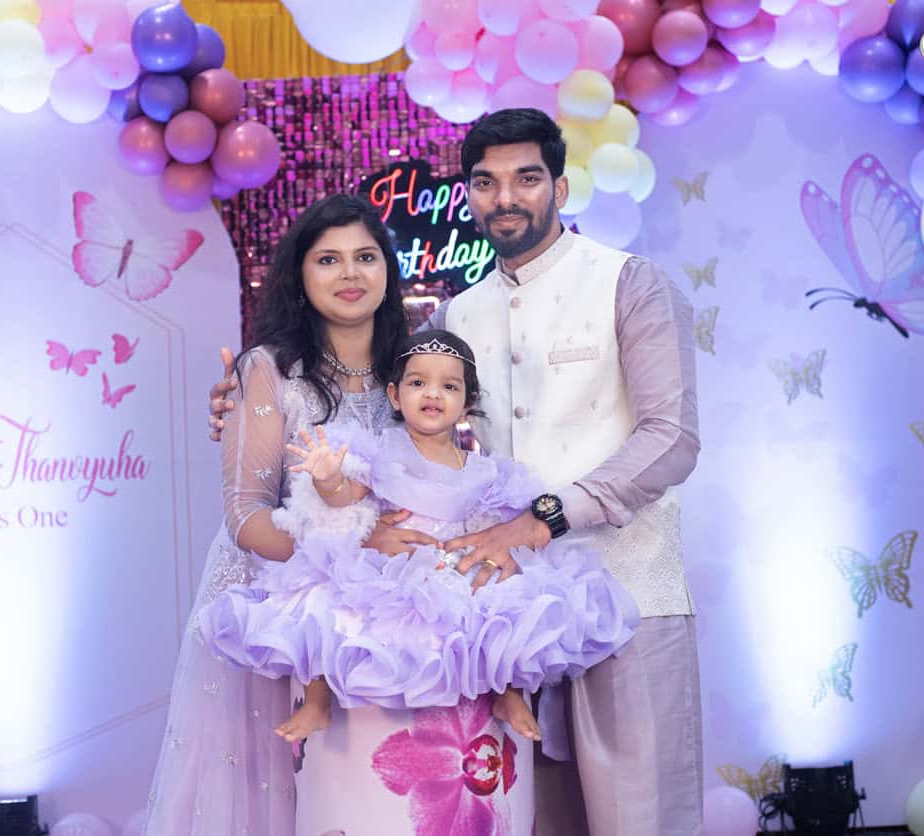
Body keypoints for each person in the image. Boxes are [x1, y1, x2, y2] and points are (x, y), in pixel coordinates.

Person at [208, 107, 702, 835]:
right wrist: (243, 403)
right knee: (532, 817)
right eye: (486, 181)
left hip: (622, 594)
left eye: (527, 178)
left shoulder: (631, 283)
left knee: (642, 818)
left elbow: (673, 438)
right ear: (468, 194)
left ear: (561, 187)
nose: (506, 197)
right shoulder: (457, 315)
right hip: (481, 622)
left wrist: (544, 519)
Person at [144, 193, 432, 836]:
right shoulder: (272, 370)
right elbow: (248, 517)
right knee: (272, 792)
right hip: (274, 609)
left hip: (376, 613)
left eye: (365, 257)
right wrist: (357, 549)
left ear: (388, 271)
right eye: (328, 259)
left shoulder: (412, 370)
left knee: (367, 797)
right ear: (300, 278)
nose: (350, 274)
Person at [197, 330, 641, 745]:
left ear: (467, 404)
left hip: (456, 569)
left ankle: (510, 693)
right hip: (394, 569)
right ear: (394, 393)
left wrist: (495, 556)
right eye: (418, 383)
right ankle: (318, 701)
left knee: (509, 606)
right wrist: (329, 478)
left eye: (449, 387)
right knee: (325, 600)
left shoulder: (486, 470)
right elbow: (345, 497)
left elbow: (499, 529)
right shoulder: (381, 452)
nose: (433, 394)